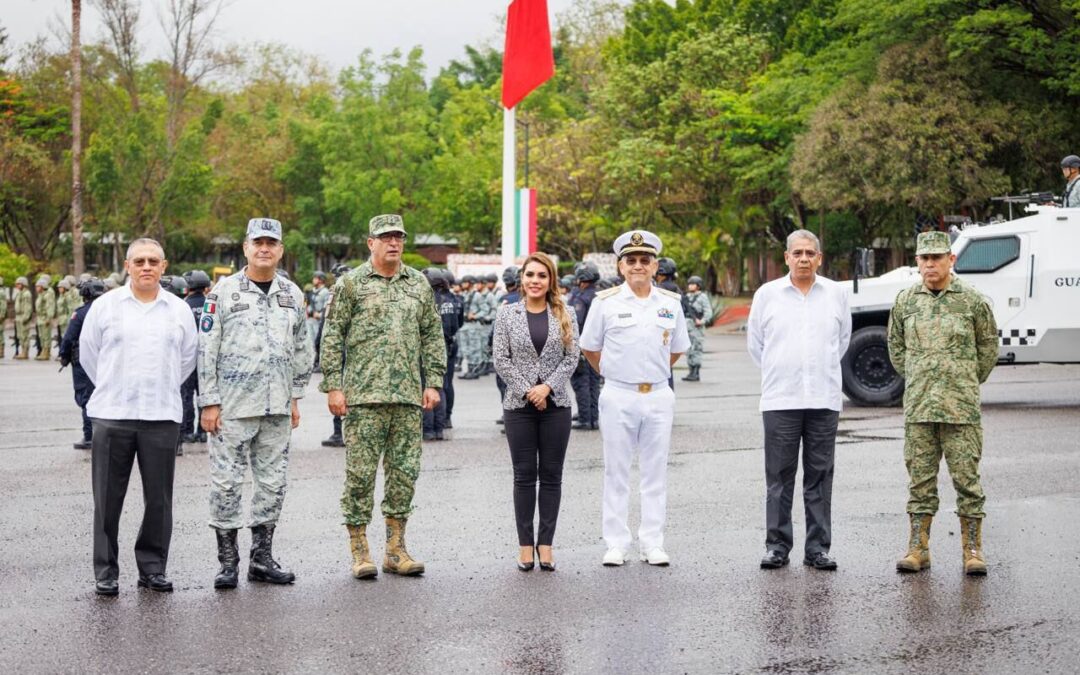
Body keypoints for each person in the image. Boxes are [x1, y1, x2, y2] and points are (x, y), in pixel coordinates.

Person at [319, 214, 446, 580]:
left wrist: (432, 381)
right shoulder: (351, 284)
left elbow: (431, 335)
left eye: (398, 237)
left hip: (407, 397)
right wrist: (334, 385)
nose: (393, 243)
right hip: (362, 398)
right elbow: (332, 336)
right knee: (359, 477)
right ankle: (360, 550)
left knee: (404, 475)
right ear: (370, 242)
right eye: (385, 237)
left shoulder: (418, 283)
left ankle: (396, 549)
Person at [198, 218, 314, 589]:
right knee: (226, 484)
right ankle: (228, 561)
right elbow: (206, 349)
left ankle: (261, 559)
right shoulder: (223, 292)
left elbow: (302, 347)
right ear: (245, 248)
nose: (265, 249)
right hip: (231, 407)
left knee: (272, 484)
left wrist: (295, 396)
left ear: (280, 250)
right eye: (258, 242)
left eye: (272, 243)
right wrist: (209, 402)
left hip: (277, 407)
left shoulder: (292, 294)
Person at [79, 238, 199, 596]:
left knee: (159, 500)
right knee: (107, 499)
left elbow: (187, 360)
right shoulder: (105, 307)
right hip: (113, 415)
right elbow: (89, 356)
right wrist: (117, 386)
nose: (146, 267)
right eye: (139, 261)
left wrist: (157, 386)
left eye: (153, 261)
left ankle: (152, 568)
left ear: (164, 267)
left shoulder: (177, 311)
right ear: (127, 266)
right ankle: (106, 571)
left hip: (161, 416)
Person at [888, 230, 998, 576]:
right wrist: (923, 377)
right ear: (917, 262)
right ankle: (918, 549)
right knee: (920, 482)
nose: (931, 263)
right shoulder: (905, 301)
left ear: (952, 260)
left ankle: (973, 550)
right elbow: (896, 350)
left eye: (938, 257)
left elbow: (988, 349)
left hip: (960, 410)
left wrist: (961, 380)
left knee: (967, 481)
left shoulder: (972, 301)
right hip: (919, 409)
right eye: (925, 258)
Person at [580, 230, 690, 567]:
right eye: (632, 260)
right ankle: (616, 543)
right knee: (616, 471)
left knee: (654, 473)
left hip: (657, 394)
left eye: (645, 260)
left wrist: (649, 374)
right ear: (621, 266)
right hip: (618, 394)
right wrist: (617, 374)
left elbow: (676, 350)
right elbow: (590, 348)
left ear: (656, 265)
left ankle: (652, 542)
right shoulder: (605, 302)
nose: (638, 265)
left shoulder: (670, 304)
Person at [747, 230, 851, 571]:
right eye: (798, 253)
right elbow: (756, 345)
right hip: (780, 400)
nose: (804, 258)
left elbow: (842, 341)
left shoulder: (835, 294)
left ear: (820, 258)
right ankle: (777, 546)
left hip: (823, 399)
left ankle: (818, 548)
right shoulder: (768, 295)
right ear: (787, 257)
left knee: (820, 476)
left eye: (810, 253)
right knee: (779, 477)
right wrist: (783, 372)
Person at [494, 253, 579, 572]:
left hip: (556, 406)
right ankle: (525, 546)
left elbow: (573, 357)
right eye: (530, 274)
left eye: (542, 275)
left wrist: (547, 388)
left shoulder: (565, 312)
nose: (535, 280)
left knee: (553, 476)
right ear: (521, 279)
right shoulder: (506, 314)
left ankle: (546, 545)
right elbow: (501, 359)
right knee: (524, 475)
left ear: (550, 280)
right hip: (519, 407)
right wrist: (531, 389)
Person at [59, 277, 106, 450]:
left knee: (85, 397)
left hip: (83, 362)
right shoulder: (108, 310)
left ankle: (89, 436)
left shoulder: (81, 312)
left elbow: (69, 337)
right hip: (106, 360)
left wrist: (63, 356)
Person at [422, 267, 462, 441]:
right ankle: (441, 426)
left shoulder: (427, 300)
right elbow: (457, 324)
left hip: (428, 347)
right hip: (448, 344)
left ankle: (428, 429)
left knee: (427, 386)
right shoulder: (451, 300)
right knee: (443, 386)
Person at [320, 263, 352, 448]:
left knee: (339, 391)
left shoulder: (337, 292)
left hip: (341, 349)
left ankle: (339, 433)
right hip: (355, 349)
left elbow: (330, 325)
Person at [569, 262, 601, 430]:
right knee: (594, 383)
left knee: (581, 383)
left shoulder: (582, 297)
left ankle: (584, 418)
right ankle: (594, 418)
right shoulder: (599, 295)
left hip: (582, 346)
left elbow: (576, 322)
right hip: (597, 347)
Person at [682, 276, 713, 382]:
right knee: (689, 349)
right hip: (687, 326)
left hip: (696, 327)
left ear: (698, 286)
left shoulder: (702, 297)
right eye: (689, 284)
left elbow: (708, 312)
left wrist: (702, 321)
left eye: (693, 284)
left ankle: (696, 372)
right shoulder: (686, 297)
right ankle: (690, 371)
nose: (690, 285)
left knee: (696, 348)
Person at [34, 275, 56, 360]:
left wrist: (49, 318)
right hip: (40, 318)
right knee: (42, 336)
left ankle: (46, 352)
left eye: (38, 286)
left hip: (45, 317)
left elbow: (50, 306)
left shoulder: (48, 293)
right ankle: (43, 351)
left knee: (46, 336)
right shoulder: (41, 295)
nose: (36, 288)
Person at [12, 276, 32, 359]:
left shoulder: (27, 294)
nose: (17, 285)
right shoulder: (19, 293)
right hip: (18, 316)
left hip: (23, 316)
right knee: (20, 335)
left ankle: (25, 352)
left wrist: (26, 317)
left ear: (23, 284)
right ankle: (22, 351)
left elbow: (28, 307)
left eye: (19, 284)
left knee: (25, 335)